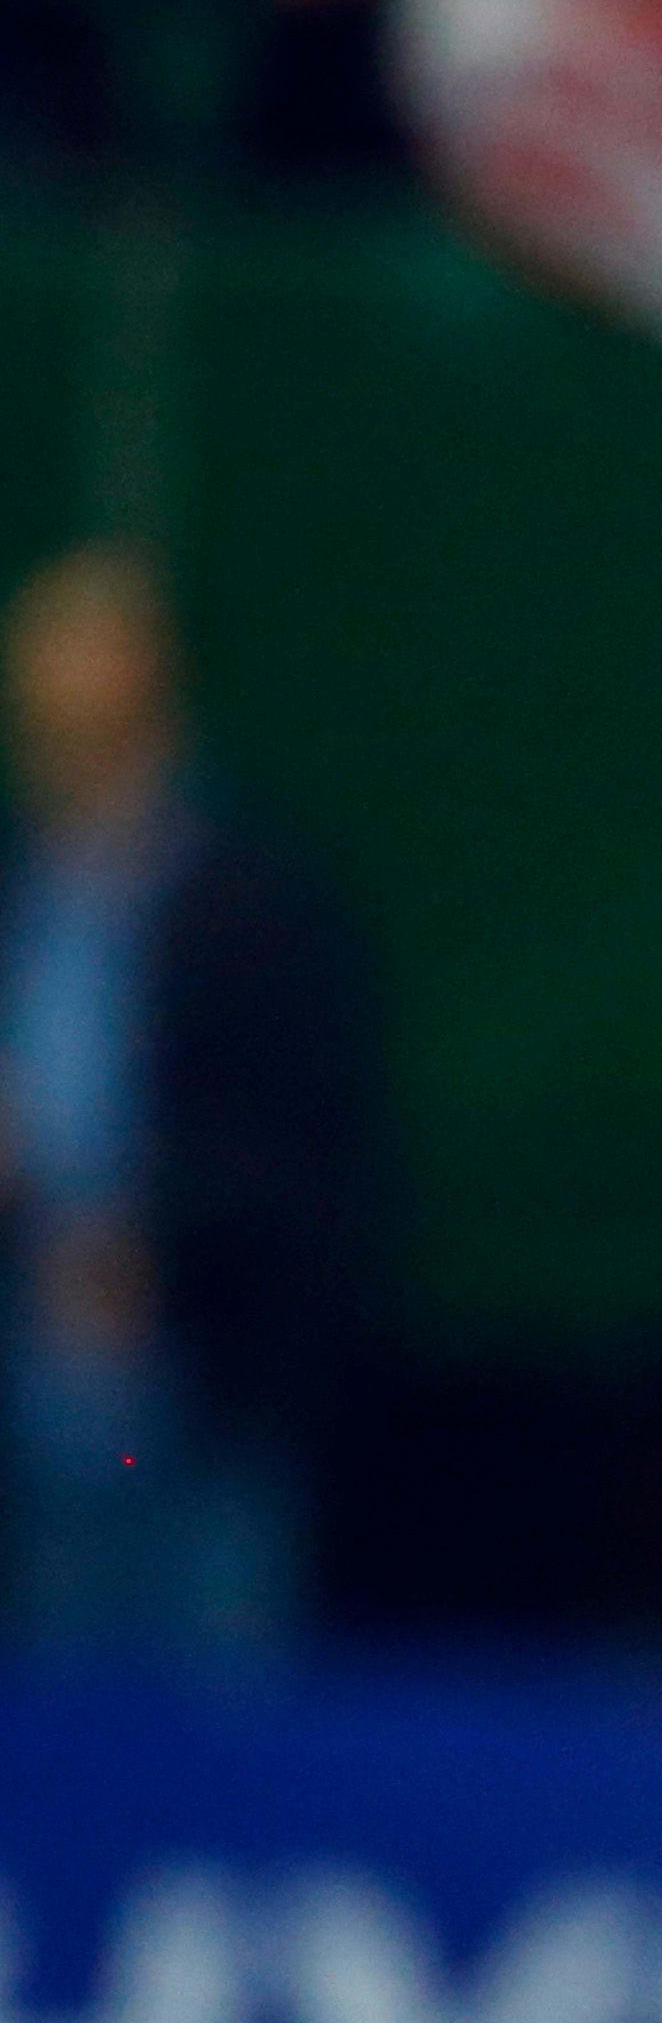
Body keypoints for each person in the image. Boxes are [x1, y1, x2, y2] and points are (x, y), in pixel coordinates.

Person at [0, 541, 376, 1663]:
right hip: (39, 1414)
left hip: (202, 1408)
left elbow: (313, 1154)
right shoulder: (21, 898)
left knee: (212, 1712)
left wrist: (147, 1239)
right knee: (55, 1720)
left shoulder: (254, 904)